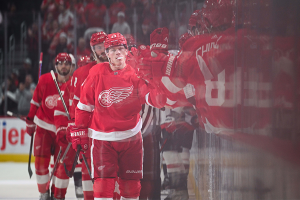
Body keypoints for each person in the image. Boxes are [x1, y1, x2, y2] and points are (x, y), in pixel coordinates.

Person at [70, 32, 166, 199]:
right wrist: (80, 131)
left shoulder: (136, 74)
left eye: (121, 49)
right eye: (113, 50)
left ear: (126, 51)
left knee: (131, 188)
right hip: (103, 140)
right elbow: (84, 107)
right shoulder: (96, 73)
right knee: (102, 187)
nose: (118, 53)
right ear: (106, 53)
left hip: (131, 139)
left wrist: (154, 80)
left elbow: (154, 99)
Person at [26, 53, 73, 200]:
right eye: (60, 63)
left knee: (63, 166)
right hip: (44, 127)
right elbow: (35, 102)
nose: (63, 66)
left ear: (71, 66)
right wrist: (30, 120)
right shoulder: (45, 80)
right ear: (55, 65)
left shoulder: (75, 83)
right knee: (40, 163)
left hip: (64, 130)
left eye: (66, 63)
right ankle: (44, 193)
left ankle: (59, 195)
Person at [68, 31, 108, 200]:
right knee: (87, 168)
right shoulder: (81, 73)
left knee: (112, 173)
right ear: (92, 50)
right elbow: (75, 108)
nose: (103, 51)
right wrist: (77, 129)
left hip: (112, 131)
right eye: (99, 48)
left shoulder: (119, 69)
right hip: (92, 132)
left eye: (105, 47)